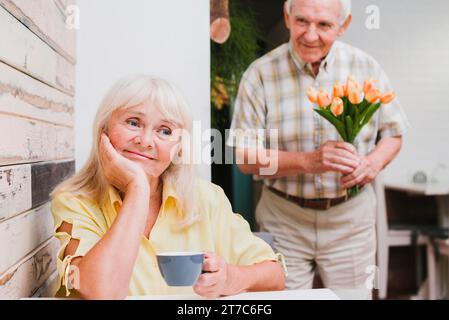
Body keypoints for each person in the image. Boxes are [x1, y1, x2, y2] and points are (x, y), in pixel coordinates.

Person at [227, 0, 410, 293]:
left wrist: (372, 164)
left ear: (343, 25)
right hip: (283, 217)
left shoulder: (365, 66)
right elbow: (244, 157)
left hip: (350, 219)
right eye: (302, 21)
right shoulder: (259, 74)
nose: (310, 35)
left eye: (323, 25)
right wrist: (308, 161)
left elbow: (394, 134)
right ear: (287, 17)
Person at [50, 74, 285, 299]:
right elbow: (102, 293)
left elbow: (275, 276)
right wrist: (137, 189)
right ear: (104, 131)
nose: (145, 141)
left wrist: (229, 278)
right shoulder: (74, 201)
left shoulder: (206, 198)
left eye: (164, 130)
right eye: (133, 122)